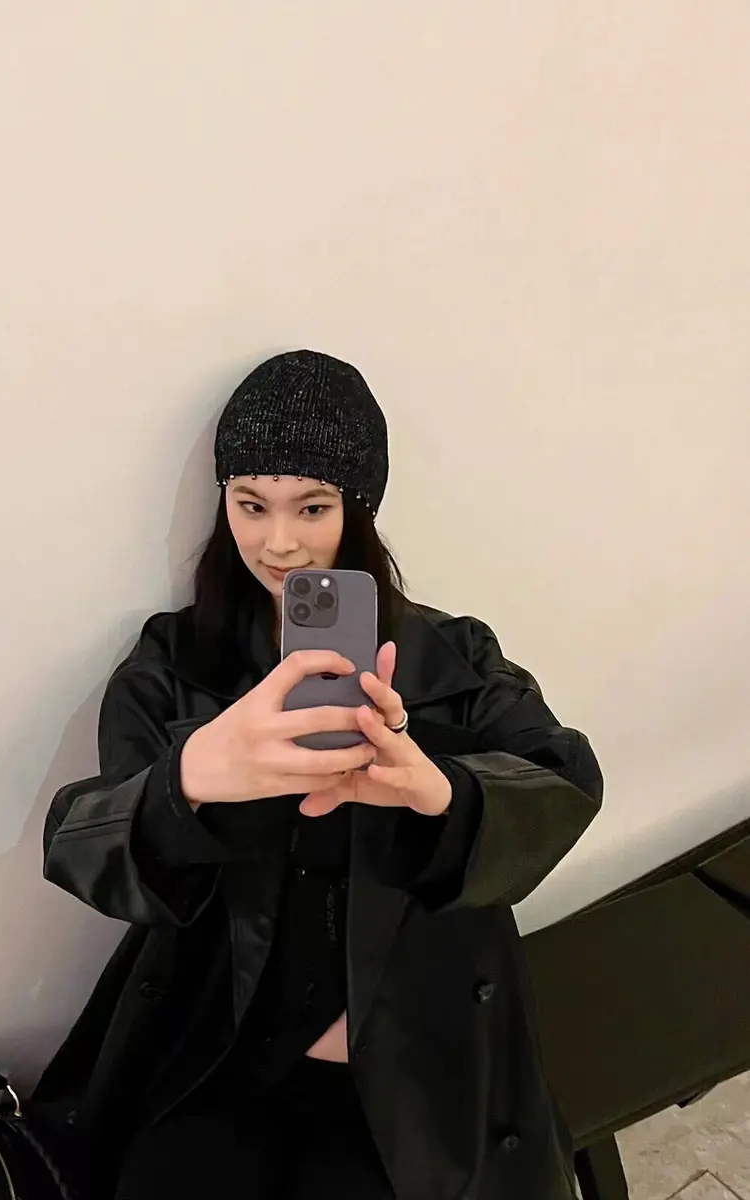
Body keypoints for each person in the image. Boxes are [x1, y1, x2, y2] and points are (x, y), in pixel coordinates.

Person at [35, 350, 603, 1200]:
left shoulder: (453, 655)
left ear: (358, 508)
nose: (279, 542)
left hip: (412, 1069)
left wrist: (441, 794)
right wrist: (191, 780)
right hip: (217, 1055)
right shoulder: (175, 661)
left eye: (312, 506)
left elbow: (566, 781)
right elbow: (82, 844)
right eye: (250, 504)